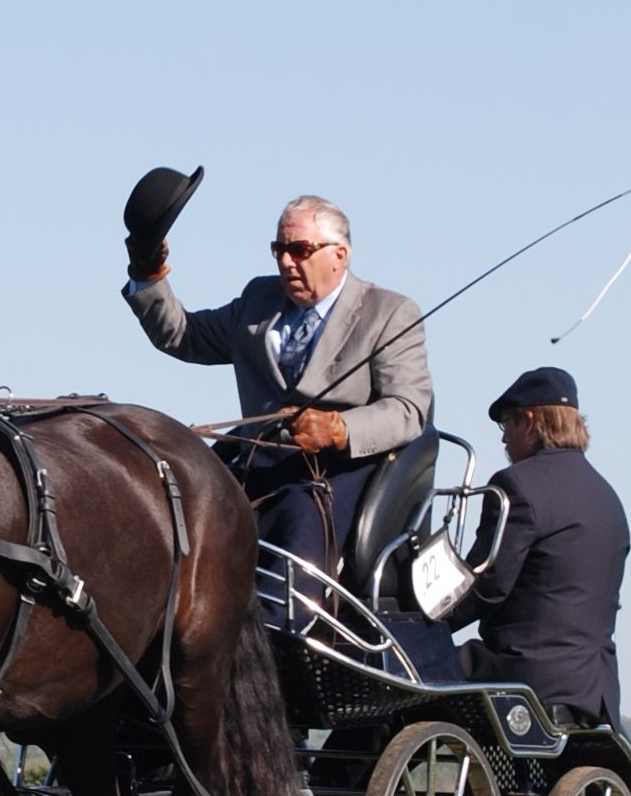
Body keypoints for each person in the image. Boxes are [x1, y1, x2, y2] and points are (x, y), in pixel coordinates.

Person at [120, 174, 432, 602]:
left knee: (292, 544)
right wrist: (147, 273)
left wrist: (339, 428)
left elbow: (408, 409)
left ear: (339, 255)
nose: (286, 262)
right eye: (279, 250)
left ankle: (277, 637)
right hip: (252, 467)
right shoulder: (257, 300)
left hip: (335, 475)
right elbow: (183, 335)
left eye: (300, 250)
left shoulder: (389, 312)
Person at [448, 366, 629, 728]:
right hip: (594, 688)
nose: (503, 441)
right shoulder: (609, 498)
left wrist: (420, 623)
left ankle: (329, 782)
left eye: (506, 426)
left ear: (528, 421)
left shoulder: (516, 486)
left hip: (523, 674)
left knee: (392, 684)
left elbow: (486, 586)